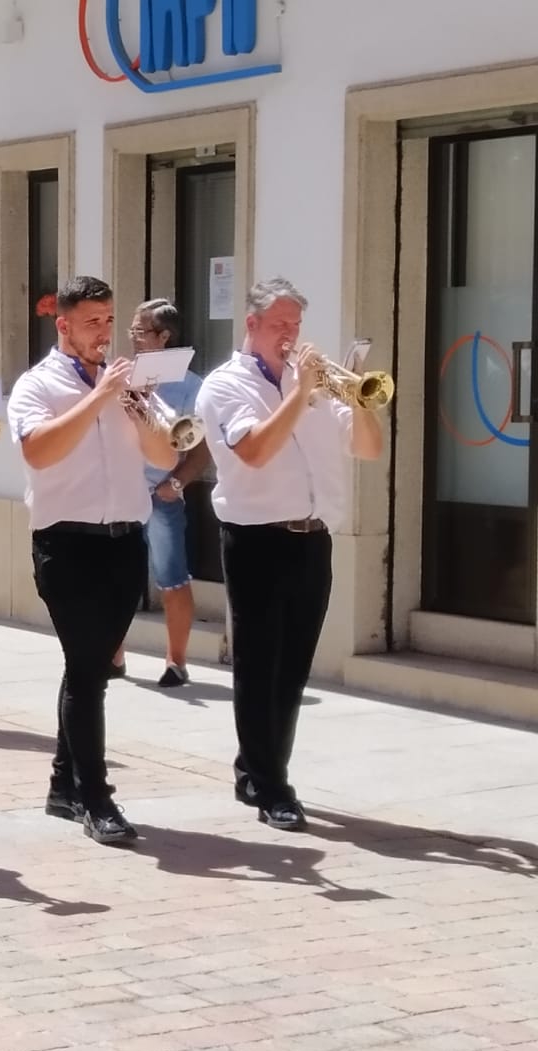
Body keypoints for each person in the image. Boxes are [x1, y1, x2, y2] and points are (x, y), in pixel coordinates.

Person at [197, 278, 384, 832]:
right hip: (255, 538)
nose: (290, 336)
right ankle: (272, 785)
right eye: (280, 325)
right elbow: (253, 451)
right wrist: (300, 394)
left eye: (295, 326)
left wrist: (357, 399)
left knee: (294, 668)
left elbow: (368, 449)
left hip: (313, 538)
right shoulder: (224, 386)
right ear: (251, 325)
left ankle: (256, 769)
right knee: (260, 666)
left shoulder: (317, 386)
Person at [7, 276, 177, 845]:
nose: (103, 333)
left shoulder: (128, 384)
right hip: (66, 542)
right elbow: (39, 450)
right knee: (90, 670)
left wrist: (137, 410)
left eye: (109, 321)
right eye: (92, 322)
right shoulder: (38, 385)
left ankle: (62, 783)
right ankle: (96, 798)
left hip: (125, 539)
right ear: (63, 325)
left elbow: (165, 451)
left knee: (88, 665)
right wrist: (99, 398)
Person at [110, 299, 208, 687]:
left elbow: (201, 447)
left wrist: (177, 484)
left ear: (164, 336)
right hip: (120, 492)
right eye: (132, 331)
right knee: (116, 579)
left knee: (171, 578)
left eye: (140, 332)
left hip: (159, 492)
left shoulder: (191, 386)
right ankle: (114, 657)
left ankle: (176, 661)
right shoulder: (120, 375)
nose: (132, 339)